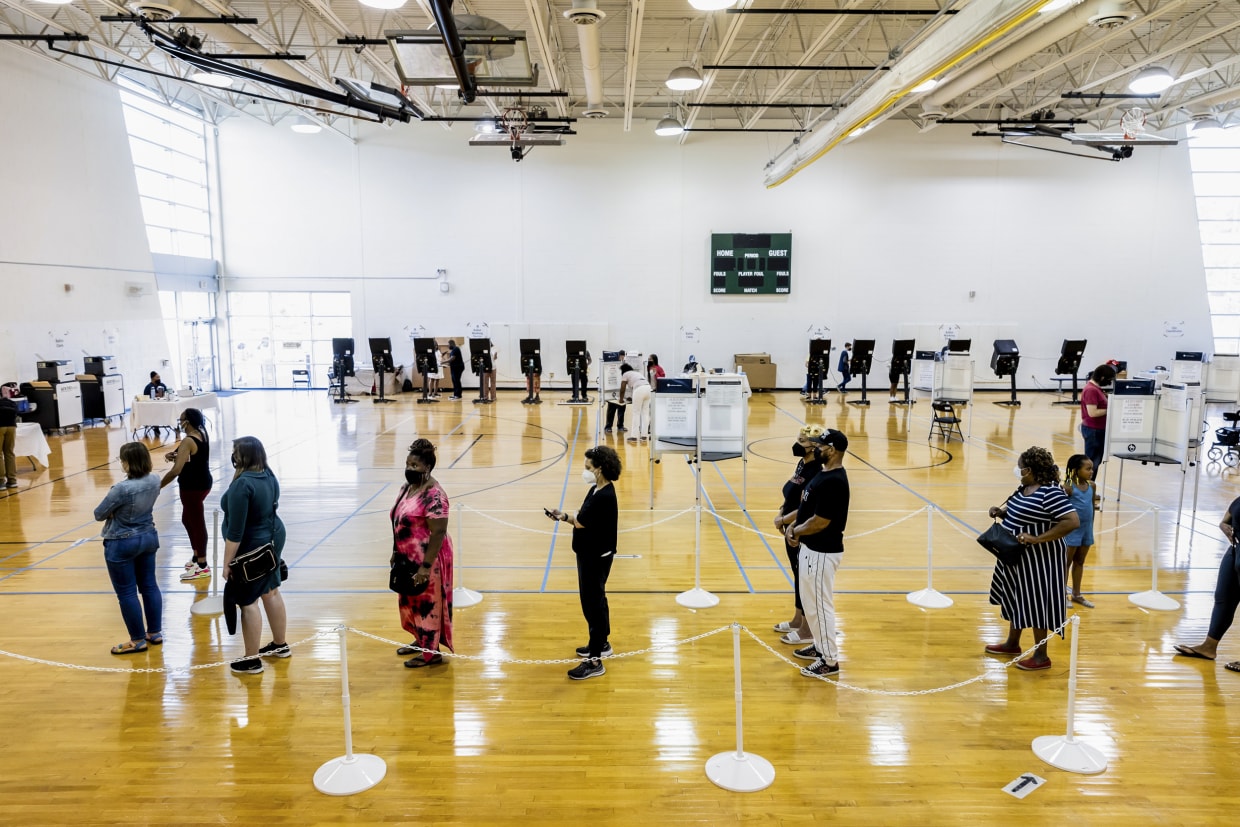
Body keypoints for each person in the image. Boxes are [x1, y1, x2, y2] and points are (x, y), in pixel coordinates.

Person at [984, 447, 1080, 671]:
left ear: (1030, 469)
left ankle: (1041, 655)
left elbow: (1072, 521)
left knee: (1037, 603)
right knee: (1017, 598)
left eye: (1021, 467)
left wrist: (1037, 539)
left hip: (1041, 560)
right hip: (1017, 557)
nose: (1018, 471)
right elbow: (1024, 512)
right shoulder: (1025, 487)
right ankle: (1012, 643)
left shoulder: (1051, 492)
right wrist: (1002, 512)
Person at [547, 445, 621, 681]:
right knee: (596, 599)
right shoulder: (597, 490)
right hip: (591, 553)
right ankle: (601, 642)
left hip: (595, 556)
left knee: (592, 603)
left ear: (599, 469)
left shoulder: (605, 496)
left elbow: (581, 522)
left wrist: (565, 517)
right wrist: (565, 516)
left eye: (588, 467)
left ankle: (595, 660)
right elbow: (584, 518)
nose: (585, 470)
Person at [785, 429, 850, 678]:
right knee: (811, 604)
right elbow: (807, 508)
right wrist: (794, 525)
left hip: (823, 552)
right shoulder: (824, 473)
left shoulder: (835, 480)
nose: (816, 448)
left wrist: (797, 531)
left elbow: (820, 521)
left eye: (821, 446)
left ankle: (830, 661)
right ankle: (820, 645)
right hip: (811, 549)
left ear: (832, 450)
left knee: (821, 606)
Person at [221, 436, 289, 675]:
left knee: (248, 600)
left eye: (235, 452)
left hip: (253, 545)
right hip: (273, 537)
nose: (232, 456)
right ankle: (280, 645)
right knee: (271, 590)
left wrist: (227, 563)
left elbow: (236, 531)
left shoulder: (243, 485)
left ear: (243, 456)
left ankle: (251, 660)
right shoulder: (268, 474)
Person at [390, 438, 455, 669]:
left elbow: (438, 532)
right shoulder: (407, 488)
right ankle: (420, 641)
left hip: (428, 559)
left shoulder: (435, 496)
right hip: (407, 557)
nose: (409, 469)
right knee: (410, 601)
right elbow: (397, 520)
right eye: (408, 464)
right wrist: (395, 551)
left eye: (415, 465)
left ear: (427, 467)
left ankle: (431, 652)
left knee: (427, 604)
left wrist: (425, 568)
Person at [94, 442, 162, 654]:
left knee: (126, 593)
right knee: (150, 586)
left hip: (122, 542)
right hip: (148, 537)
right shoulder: (154, 480)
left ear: (127, 463)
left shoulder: (121, 489)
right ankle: (155, 632)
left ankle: (137, 640)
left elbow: (99, 514)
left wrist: (115, 512)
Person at [1173, 494, 1240, 673]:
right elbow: (1226, 519)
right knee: (1223, 598)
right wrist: (1224, 525)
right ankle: (1209, 647)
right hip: (1234, 550)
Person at [773, 424, 826, 646]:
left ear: (814, 447)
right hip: (789, 528)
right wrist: (781, 511)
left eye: (803, 442)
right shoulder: (802, 464)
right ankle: (798, 619)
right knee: (797, 575)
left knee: (804, 579)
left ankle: (807, 630)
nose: (798, 445)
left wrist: (785, 520)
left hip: (800, 531)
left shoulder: (816, 472)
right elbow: (791, 493)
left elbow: (807, 507)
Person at [160, 408, 213, 581]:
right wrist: (176, 455)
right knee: (188, 519)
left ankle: (203, 565)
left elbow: (176, 471)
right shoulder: (202, 434)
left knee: (196, 523)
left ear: (187, 421)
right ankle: (197, 557)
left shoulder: (188, 440)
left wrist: (158, 486)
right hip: (203, 483)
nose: (179, 422)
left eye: (181, 419)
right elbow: (191, 457)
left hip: (192, 487)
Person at [1062, 454, 1099, 608]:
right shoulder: (1067, 487)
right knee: (1066, 563)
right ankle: (1062, 594)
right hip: (1072, 531)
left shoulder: (1092, 486)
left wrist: (1090, 526)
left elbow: (1092, 507)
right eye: (1088, 469)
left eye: (1092, 468)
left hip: (1086, 530)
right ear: (1076, 470)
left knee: (1080, 561)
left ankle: (1076, 594)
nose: (1091, 471)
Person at [1080, 364, 1116, 471]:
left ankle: (1088, 485)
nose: (1109, 382)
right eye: (1109, 380)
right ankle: (1086, 486)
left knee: (1095, 462)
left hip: (1097, 430)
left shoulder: (1096, 389)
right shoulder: (1091, 390)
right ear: (1102, 378)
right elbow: (1093, 412)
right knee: (1091, 463)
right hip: (1094, 431)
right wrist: (1111, 409)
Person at [620, 364, 652, 442]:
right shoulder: (637, 373)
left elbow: (622, 388)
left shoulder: (625, 374)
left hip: (639, 390)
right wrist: (632, 397)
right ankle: (644, 436)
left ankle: (634, 436)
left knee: (636, 413)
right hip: (648, 388)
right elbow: (636, 386)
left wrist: (621, 399)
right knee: (645, 413)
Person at [605, 350, 627, 433]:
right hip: (612, 389)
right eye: (621, 356)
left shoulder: (625, 365)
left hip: (622, 389)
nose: (622, 358)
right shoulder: (612, 365)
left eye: (623, 356)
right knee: (611, 409)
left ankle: (620, 425)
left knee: (622, 409)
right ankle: (608, 426)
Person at [0, 390, 17, 489]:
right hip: (12, 427)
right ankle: (12, 480)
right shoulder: (11, 403)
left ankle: (1, 481)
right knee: (9, 453)